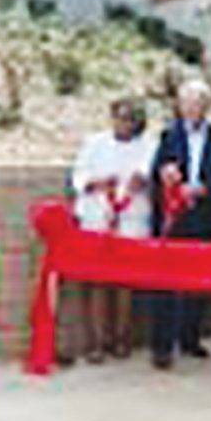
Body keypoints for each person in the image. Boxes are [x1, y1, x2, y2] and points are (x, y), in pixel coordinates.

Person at [150, 79, 211, 369]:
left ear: (207, 107)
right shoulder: (168, 136)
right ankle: (162, 345)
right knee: (165, 281)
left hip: (204, 215)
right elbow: (156, 171)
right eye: (187, 103)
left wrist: (205, 189)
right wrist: (168, 175)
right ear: (180, 106)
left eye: (198, 104)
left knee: (198, 281)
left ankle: (190, 338)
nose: (192, 109)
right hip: (174, 217)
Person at [71, 97, 155, 362]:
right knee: (96, 281)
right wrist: (95, 183)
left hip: (131, 219)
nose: (124, 124)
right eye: (119, 117)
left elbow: (150, 174)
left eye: (130, 119)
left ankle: (120, 338)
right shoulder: (94, 142)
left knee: (124, 282)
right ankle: (95, 341)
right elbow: (78, 175)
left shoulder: (149, 146)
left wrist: (140, 181)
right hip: (97, 216)